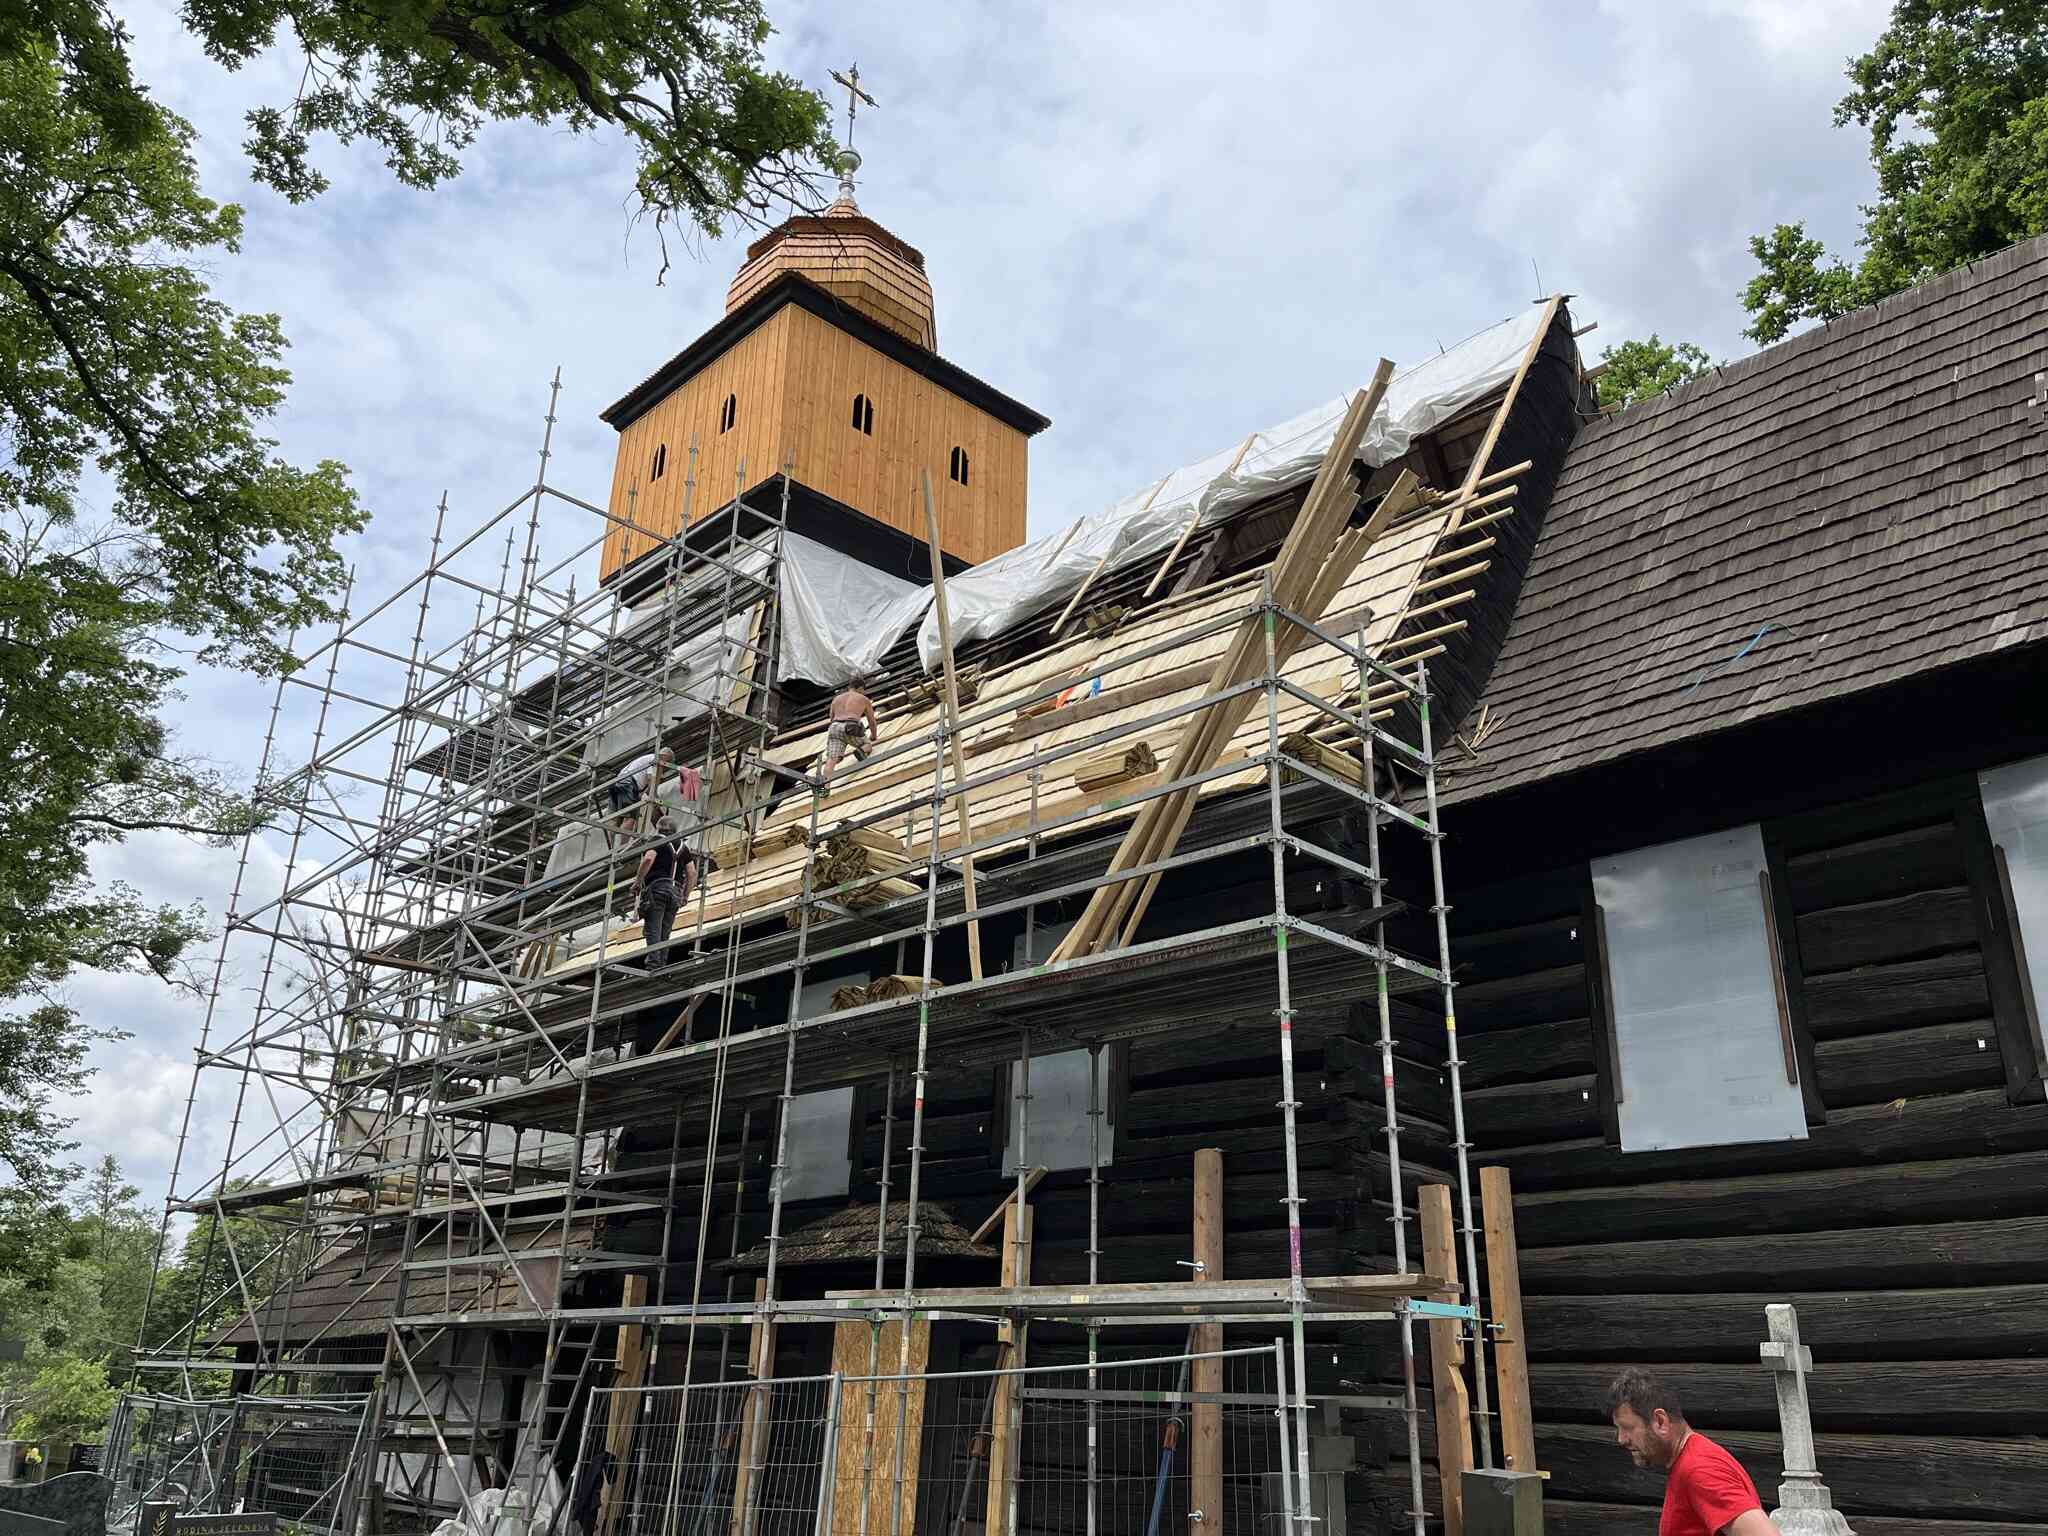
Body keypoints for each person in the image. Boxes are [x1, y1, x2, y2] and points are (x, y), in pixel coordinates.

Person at [1608, 1367, 1780, 1536]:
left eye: (1627, 1428)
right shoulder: (1691, 1460)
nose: (1621, 1439)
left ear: (1660, 1421)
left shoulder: (1699, 1470)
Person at [635, 815, 694, 967]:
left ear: (659, 828)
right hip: (676, 891)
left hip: (657, 888)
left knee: (653, 928)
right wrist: (686, 895)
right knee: (665, 930)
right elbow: (692, 872)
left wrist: (638, 881)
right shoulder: (684, 847)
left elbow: (648, 859)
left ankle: (654, 963)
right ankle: (662, 962)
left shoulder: (657, 841)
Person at [607, 746, 673, 840]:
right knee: (629, 819)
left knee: (615, 821)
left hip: (617, 783)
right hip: (628, 784)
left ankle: (612, 852)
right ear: (665, 757)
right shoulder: (655, 760)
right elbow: (652, 785)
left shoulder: (645, 759)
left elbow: (646, 790)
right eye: (667, 764)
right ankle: (623, 851)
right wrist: (656, 800)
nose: (665, 767)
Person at [821, 677, 880, 782]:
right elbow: (871, 721)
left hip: (834, 727)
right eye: (863, 690)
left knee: (831, 760)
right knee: (867, 745)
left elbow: (831, 718)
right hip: (851, 726)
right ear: (860, 688)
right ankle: (861, 751)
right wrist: (874, 736)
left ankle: (824, 786)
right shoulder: (863, 699)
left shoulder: (836, 699)